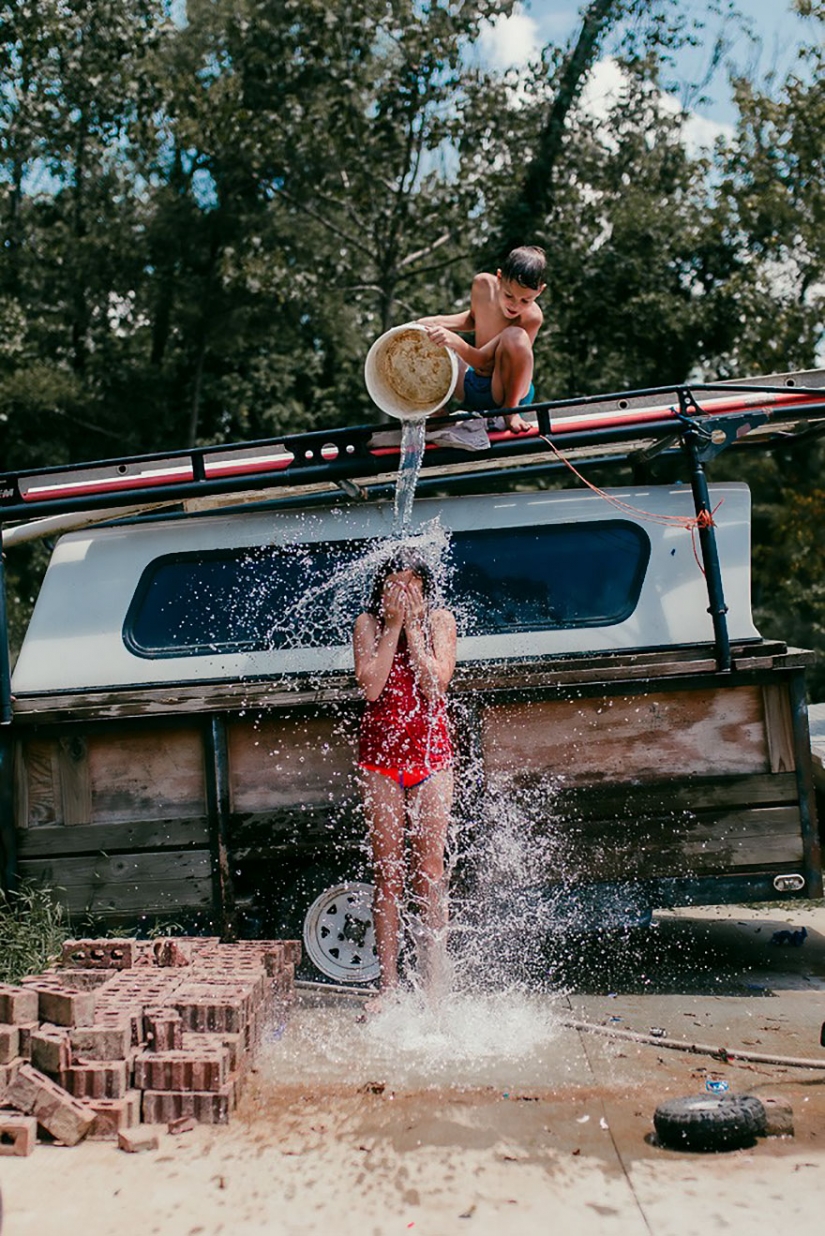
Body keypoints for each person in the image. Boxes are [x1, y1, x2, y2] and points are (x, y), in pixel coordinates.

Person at [353, 550, 457, 999]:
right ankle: (388, 988)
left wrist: (413, 627)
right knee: (388, 873)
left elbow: (436, 685)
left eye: (411, 587)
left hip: (432, 760)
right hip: (380, 762)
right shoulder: (368, 626)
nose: (402, 594)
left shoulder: (440, 623)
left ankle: (434, 986)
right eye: (393, 587)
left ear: (425, 589)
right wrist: (394, 626)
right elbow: (371, 686)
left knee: (430, 871)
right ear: (380, 591)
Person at [418, 245, 547, 434]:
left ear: (540, 291)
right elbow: (474, 318)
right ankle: (439, 414)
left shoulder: (532, 317)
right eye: (509, 295)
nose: (514, 305)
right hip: (471, 383)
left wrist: (455, 341)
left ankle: (510, 412)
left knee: (515, 336)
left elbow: (483, 359)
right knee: (423, 335)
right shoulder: (482, 285)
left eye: (525, 301)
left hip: (504, 391)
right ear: (500, 278)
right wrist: (436, 322)